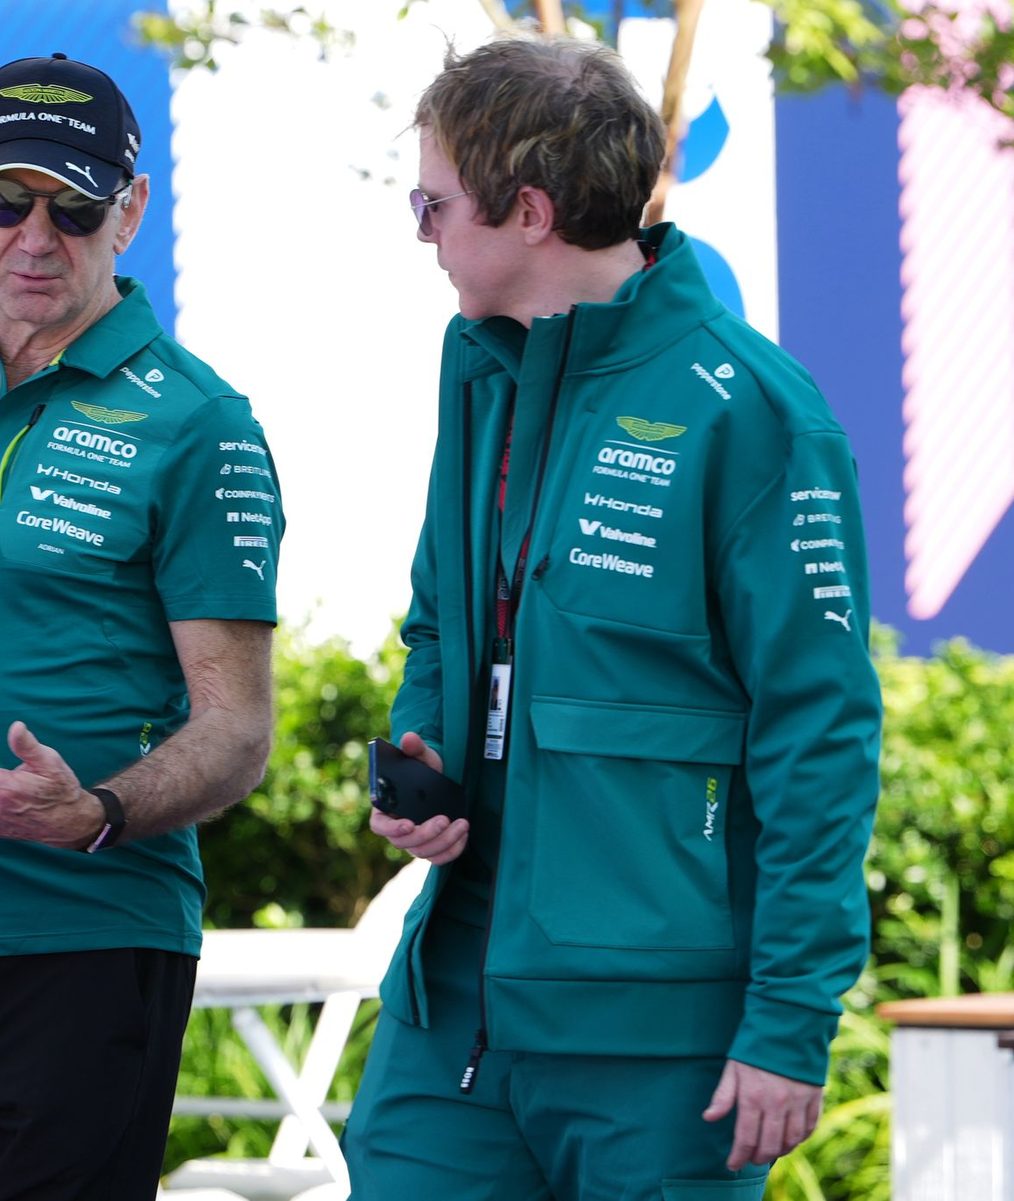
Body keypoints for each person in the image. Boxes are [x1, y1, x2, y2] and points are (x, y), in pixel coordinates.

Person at [343, 36, 882, 1201]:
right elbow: (441, 620)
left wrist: (788, 1018)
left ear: (528, 211)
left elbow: (820, 732)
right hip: (457, 1007)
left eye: (432, 204)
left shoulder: (758, 414)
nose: (424, 232)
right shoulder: (477, 366)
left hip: (661, 1041)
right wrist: (423, 745)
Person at [0, 52, 283, 1200]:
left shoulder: (201, 422)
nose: (36, 234)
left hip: (86, 949)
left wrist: (97, 813)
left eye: (74, 206)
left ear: (130, 210)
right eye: (4, 199)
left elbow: (239, 729)